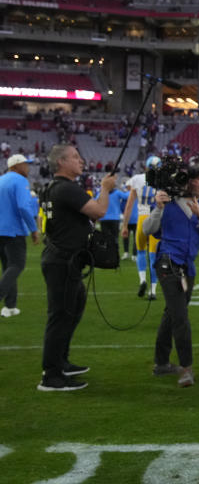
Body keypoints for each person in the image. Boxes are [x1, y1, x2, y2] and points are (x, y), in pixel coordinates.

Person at [37, 145, 116, 391]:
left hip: (61, 259)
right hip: (63, 261)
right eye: (74, 157)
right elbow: (100, 211)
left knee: (72, 309)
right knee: (60, 317)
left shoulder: (52, 189)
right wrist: (105, 188)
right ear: (61, 162)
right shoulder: (67, 189)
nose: (81, 161)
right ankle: (51, 375)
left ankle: (61, 361)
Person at [142, 164, 199, 387]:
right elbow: (147, 229)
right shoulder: (167, 203)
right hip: (167, 265)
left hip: (187, 268)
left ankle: (161, 363)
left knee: (171, 314)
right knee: (180, 318)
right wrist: (157, 207)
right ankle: (186, 368)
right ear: (188, 181)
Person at [0, 154, 40, 318]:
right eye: (25, 164)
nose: (28, 167)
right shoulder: (20, 181)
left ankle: (10, 306)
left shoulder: (1, 180)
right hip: (13, 230)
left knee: (8, 267)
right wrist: (34, 229)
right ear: (15, 166)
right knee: (17, 265)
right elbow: (23, 207)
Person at [122, 156, 161, 299]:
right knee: (153, 255)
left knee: (140, 251)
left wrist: (125, 225)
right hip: (156, 218)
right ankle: (153, 291)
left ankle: (143, 280)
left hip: (142, 218)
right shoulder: (163, 181)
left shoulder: (137, 179)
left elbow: (129, 205)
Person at [95, 175, 127, 266]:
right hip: (115, 219)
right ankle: (115, 256)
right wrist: (131, 189)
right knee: (115, 238)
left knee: (105, 238)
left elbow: (95, 200)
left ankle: (107, 256)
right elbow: (126, 196)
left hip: (104, 219)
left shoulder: (102, 193)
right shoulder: (117, 193)